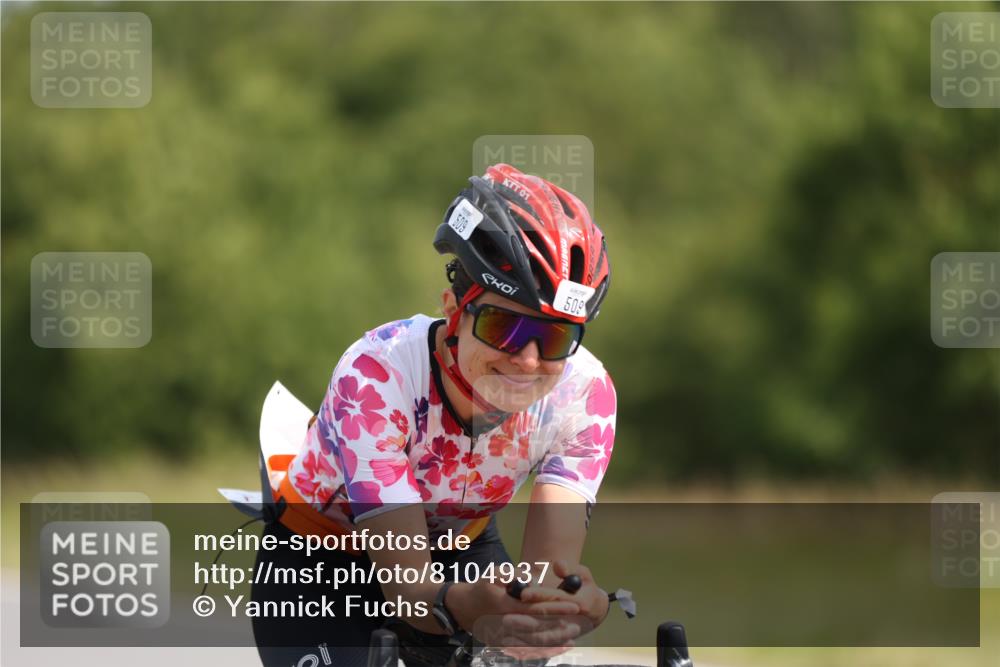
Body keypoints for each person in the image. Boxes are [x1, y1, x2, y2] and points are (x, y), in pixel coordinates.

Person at [251, 163, 617, 667]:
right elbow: (410, 591)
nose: (528, 359)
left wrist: (562, 606)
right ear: (453, 311)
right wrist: (467, 608)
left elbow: (547, 576)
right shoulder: (377, 374)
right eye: (504, 327)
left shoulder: (585, 394)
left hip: (459, 545)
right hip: (323, 555)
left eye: (554, 337)